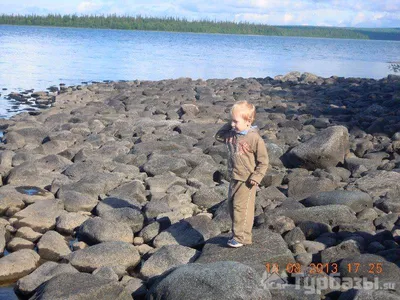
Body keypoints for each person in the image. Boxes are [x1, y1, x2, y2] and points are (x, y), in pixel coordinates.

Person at [215, 100, 269, 248]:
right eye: (231, 121)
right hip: (234, 177)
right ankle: (237, 234)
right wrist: (230, 123)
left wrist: (257, 177)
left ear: (248, 121)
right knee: (232, 206)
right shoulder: (232, 134)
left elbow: (263, 161)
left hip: (247, 180)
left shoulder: (254, 138)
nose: (232, 124)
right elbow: (219, 136)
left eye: (235, 121)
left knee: (242, 208)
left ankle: (242, 237)